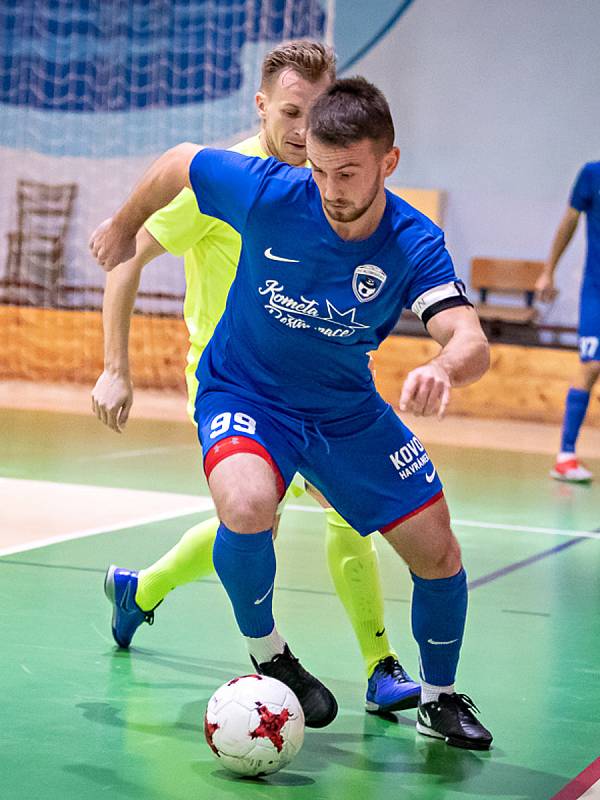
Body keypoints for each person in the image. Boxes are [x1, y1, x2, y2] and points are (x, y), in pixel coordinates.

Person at [90, 76, 493, 749]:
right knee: (247, 506)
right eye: (320, 168)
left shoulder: (412, 240)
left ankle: (439, 697)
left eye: (349, 172)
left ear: (388, 163)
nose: (332, 187)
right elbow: (178, 161)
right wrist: (124, 224)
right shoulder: (272, 191)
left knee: (440, 550)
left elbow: (471, 339)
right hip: (246, 391)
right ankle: (270, 654)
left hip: (345, 411)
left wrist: (442, 365)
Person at [537, 161, 600, 483]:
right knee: (591, 366)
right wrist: (549, 270)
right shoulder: (592, 174)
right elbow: (569, 222)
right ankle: (566, 456)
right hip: (597, 291)